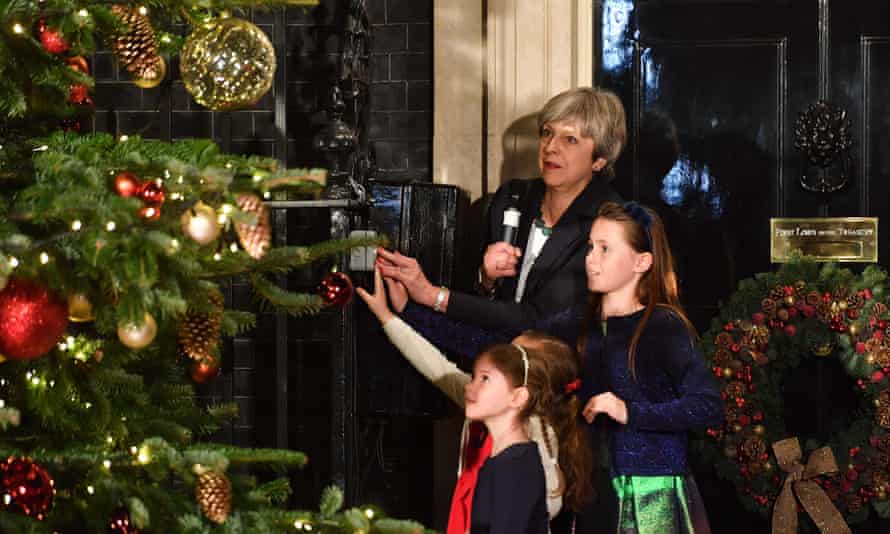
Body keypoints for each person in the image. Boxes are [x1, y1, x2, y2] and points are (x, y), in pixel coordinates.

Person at [378, 201, 723, 534]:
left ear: (641, 262)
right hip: (594, 491)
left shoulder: (664, 325)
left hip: (652, 495)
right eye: (591, 247)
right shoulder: (578, 321)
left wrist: (630, 412)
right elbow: (497, 349)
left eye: (605, 249)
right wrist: (413, 310)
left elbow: (707, 407)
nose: (591, 260)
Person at [357, 268, 593, 534]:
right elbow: (434, 365)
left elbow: (549, 503)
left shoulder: (532, 437)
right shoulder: (482, 401)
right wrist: (387, 316)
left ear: (520, 394)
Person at [377, 87, 626, 333]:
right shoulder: (512, 197)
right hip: (496, 361)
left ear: (599, 160)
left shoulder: (609, 222)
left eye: (570, 139)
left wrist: (432, 295)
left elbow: (537, 320)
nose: (550, 147)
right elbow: (476, 303)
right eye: (547, 133)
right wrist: (486, 281)